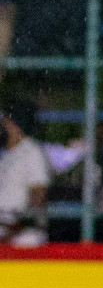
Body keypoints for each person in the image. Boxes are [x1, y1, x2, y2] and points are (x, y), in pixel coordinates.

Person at [0, 98, 50, 246]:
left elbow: (38, 198)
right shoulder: (5, 153)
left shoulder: (31, 152)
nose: (3, 126)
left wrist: (13, 229)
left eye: (6, 122)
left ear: (16, 126)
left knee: (28, 239)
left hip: (22, 231)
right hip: (4, 225)